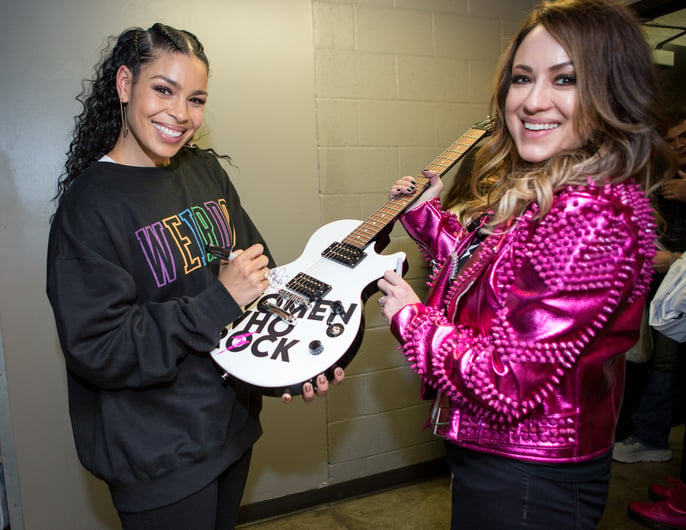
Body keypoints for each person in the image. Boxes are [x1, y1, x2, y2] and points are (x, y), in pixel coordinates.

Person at [376, 0, 672, 527]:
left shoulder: (588, 214)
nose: (534, 101)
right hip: (503, 457)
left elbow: (507, 381)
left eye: (566, 79)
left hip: (529, 474)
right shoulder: (559, 192)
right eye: (522, 78)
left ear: (612, 90)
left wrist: (410, 318)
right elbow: (493, 280)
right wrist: (424, 215)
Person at [46, 23, 342, 530]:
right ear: (124, 85)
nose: (180, 114)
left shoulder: (204, 173)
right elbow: (100, 347)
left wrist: (293, 361)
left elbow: (257, 279)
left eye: (196, 98)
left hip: (229, 428)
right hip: (156, 456)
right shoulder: (88, 208)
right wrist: (218, 301)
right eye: (164, 89)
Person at [613, 112, 686, 465]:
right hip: (659, 284)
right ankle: (644, 434)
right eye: (671, 140)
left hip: (677, 283)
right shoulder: (662, 180)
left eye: (683, 137)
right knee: (650, 360)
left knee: (664, 365)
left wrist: (673, 259)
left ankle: (649, 437)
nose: (679, 145)